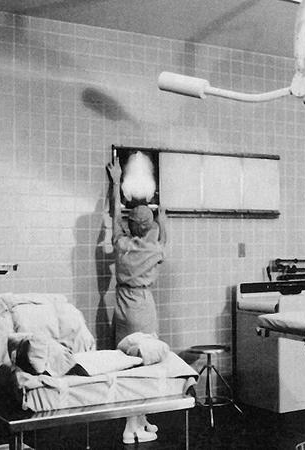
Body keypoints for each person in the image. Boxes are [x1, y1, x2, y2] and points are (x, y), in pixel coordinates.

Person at [106, 160, 168, 444]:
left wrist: (116, 181)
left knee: (126, 362)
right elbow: (162, 233)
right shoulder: (154, 248)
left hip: (121, 307)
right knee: (143, 366)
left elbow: (115, 213)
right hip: (143, 307)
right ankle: (131, 425)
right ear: (150, 226)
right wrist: (162, 214)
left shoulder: (121, 245)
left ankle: (140, 418)